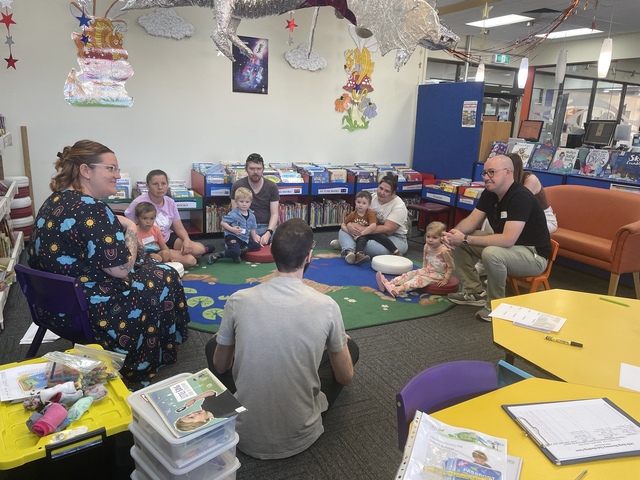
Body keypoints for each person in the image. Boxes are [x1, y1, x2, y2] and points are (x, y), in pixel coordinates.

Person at [27, 140, 190, 388]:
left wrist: (116, 221)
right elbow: (121, 269)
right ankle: (144, 362)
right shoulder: (93, 210)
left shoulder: (56, 201)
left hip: (51, 304)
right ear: (85, 171)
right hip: (89, 309)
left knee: (150, 265)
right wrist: (132, 228)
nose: (117, 175)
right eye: (111, 169)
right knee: (165, 276)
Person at [205, 218, 359, 460]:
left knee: (215, 345)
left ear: (272, 251)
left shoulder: (238, 300)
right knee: (350, 349)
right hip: (302, 432)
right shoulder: (327, 305)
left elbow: (220, 366)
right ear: (309, 255)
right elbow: (345, 377)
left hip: (242, 433)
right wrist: (333, 341)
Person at [442, 155, 551, 322]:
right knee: (460, 240)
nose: (486, 177)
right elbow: (471, 222)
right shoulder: (490, 193)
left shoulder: (520, 197)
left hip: (533, 255)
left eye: (491, 172)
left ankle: (497, 306)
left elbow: (508, 240)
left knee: (491, 253)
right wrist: (452, 236)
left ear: (508, 172)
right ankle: (474, 291)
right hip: (511, 248)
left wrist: (465, 239)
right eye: (484, 173)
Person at [125, 170, 214, 268]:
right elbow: (129, 227)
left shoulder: (170, 202)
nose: (160, 187)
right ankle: (163, 257)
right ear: (148, 186)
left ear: (167, 184)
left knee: (198, 249)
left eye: (163, 183)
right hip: (150, 244)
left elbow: (179, 227)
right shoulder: (138, 203)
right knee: (191, 260)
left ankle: (168, 256)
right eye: (155, 184)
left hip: (167, 238)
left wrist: (187, 240)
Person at [332, 174, 409, 258]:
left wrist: (362, 230)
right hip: (369, 233)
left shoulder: (398, 206)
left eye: (387, 191)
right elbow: (356, 215)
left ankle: (346, 245)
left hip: (393, 237)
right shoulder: (372, 197)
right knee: (343, 230)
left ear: (393, 193)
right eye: (380, 188)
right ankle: (350, 250)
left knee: (373, 247)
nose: (382, 192)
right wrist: (350, 225)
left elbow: (388, 229)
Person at [376, 221, 454, 297]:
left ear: (442, 238)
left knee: (418, 279)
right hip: (428, 270)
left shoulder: (444, 251)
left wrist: (446, 279)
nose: (430, 240)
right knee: (411, 273)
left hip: (439, 274)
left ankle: (398, 289)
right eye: (428, 236)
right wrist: (423, 270)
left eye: (434, 237)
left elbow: (451, 266)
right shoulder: (427, 246)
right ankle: (391, 282)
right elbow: (425, 259)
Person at [340, 190, 401, 266]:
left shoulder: (370, 213)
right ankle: (359, 255)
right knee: (361, 240)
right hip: (359, 235)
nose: (360, 205)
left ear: (369, 205)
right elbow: (343, 224)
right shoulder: (353, 214)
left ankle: (395, 251)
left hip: (370, 232)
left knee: (381, 237)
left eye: (364, 203)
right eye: (358, 202)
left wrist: (361, 233)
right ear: (355, 202)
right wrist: (350, 232)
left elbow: (373, 226)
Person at [230, 153, 279, 245]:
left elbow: (274, 214)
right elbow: (235, 213)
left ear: (263, 169)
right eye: (252, 168)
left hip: (266, 227)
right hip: (245, 227)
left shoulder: (272, 186)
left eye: (258, 169)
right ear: (246, 169)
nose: (255, 172)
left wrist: (268, 233)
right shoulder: (237, 185)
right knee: (232, 242)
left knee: (285, 242)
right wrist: (252, 233)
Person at [207, 187, 261, 264]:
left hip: (244, 238)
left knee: (257, 246)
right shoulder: (233, 214)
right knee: (234, 251)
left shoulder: (252, 215)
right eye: (241, 201)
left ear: (251, 202)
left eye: (247, 202)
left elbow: (253, 228)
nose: (244, 204)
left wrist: (255, 239)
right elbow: (223, 223)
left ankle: (238, 252)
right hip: (233, 236)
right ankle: (219, 255)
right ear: (236, 201)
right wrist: (232, 229)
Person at [509, 152, 558, 233]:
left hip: (544, 219)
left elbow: (520, 204)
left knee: (515, 230)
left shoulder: (530, 179)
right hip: (523, 217)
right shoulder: (508, 180)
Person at [174, 389, 242, 432]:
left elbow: (211, 392)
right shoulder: (221, 415)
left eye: (188, 414)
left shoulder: (204, 406)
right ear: (202, 422)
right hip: (241, 395)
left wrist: (194, 399)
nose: (192, 413)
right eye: (191, 417)